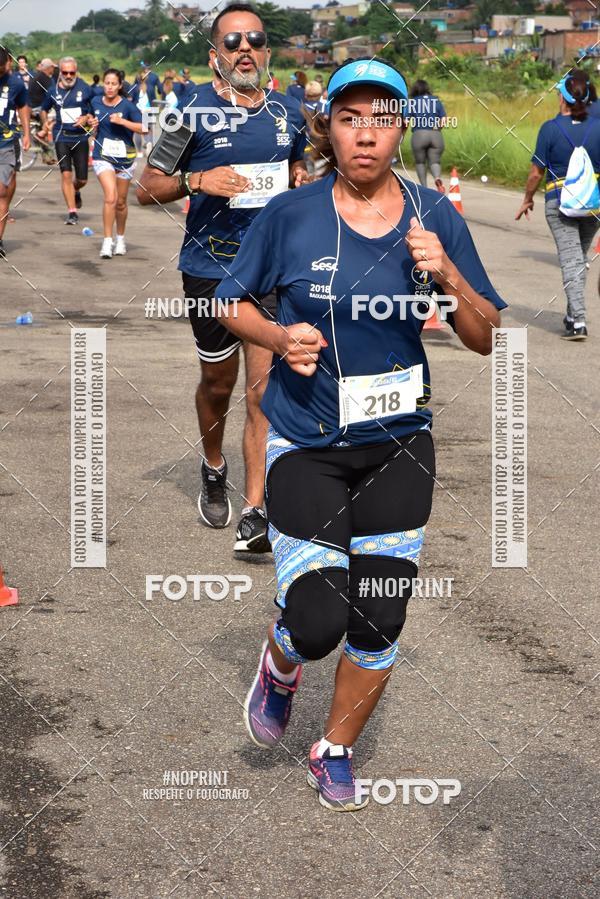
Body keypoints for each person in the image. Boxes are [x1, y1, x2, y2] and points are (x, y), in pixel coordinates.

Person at [213, 57, 506, 811]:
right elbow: (230, 303)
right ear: (330, 128)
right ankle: (282, 660)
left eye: (381, 118)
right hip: (307, 441)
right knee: (317, 618)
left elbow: (484, 335)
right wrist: (278, 338)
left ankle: (333, 749)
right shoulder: (291, 214)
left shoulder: (435, 213)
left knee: (380, 612)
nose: (365, 134)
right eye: (350, 119)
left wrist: (451, 278)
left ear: (400, 129)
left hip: (399, 443)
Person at [137, 2, 308, 553]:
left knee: (262, 392)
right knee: (219, 385)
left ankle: (257, 510)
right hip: (210, 270)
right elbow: (146, 188)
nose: (244, 49)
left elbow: (299, 167)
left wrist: (300, 176)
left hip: (272, 273)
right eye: (232, 41)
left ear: (266, 50)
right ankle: (213, 465)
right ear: (215, 55)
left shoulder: (290, 112)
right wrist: (197, 179)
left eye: (254, 39)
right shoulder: (188, 112)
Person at [516, 69, 600, 340]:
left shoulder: (550, 129)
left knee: (572, 260)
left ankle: (578, 321)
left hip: (560, 204)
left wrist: (528, 198)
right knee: (577, 259)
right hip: (593, 206)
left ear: (562, 98)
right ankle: (570, 314)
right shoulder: (599, 127)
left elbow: (535, 174)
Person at [88, 68, 143, 259]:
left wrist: (122, 122)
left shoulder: (128, 106)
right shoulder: (95, 101)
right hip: (102, 156)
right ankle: (107, 241)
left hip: (125, 159)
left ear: (120, 86)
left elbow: (143, 128)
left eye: (113, 84)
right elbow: (89, 119)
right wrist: (90, 123)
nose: (109, 87)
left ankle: (120, 238)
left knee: (120, 202)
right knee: (110, 197)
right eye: (107, 83)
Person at [38, 57, 92, 225]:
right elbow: (43, 109)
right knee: (66, 174)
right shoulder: (52, 90)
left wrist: (86, 118)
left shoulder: (85, 88)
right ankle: (72, 212)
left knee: (82, 179)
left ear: (76, 72)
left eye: (72, 72)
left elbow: (94, 111)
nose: (69, 76)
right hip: (61, 137)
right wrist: (45, 123)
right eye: (65, 72)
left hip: (81, 137)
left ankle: (75, 190)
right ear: (59, 72)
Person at [0, 46, 30, 258]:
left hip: (7, 143)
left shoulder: (17, 84)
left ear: (9, 63)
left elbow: (23, 107)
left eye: (1, 68)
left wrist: (27, 133)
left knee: (1, 191)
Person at [409, 79, 446, 192]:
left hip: (419, 134)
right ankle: (437, 178)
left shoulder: (413, 102)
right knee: (435, 161)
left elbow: (405, 121)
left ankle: (424, 189)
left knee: (420, 162)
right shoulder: (436, 100)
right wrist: (436, 130)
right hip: (436, 135)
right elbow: (443, 120)